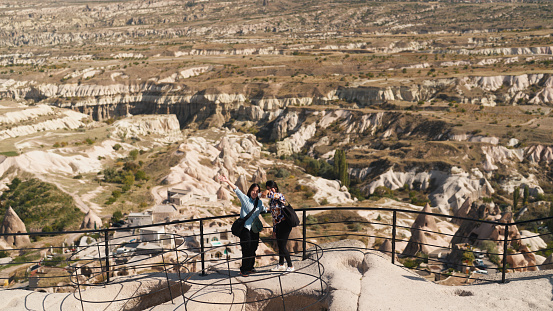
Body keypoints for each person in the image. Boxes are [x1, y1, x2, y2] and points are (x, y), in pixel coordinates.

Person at [219, 175, 266, 277]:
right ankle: (243, 269)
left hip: (255, 230)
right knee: (246, 249)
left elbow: (264, 209)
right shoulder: (245, 199)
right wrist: (227, 180)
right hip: (246, 229)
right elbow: (236, 189)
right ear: (250, 191)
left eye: (257, 191)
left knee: (253, 248)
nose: (255, 192)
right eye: (253, 190)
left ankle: (250, 267)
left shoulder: (259, 202)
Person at [262, 180, 294, 272]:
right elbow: (274, 216)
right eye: (268, 188)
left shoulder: (279, 195)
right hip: (278, 224)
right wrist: (274, 230)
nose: (269, 190)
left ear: (275, 188)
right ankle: (281, 264)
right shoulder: (272, 201)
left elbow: (265, 195)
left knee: (283, 246)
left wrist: (266, 192)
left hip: (285, 224)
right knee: (280, 246)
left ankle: (291, 266)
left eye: (271, 188)